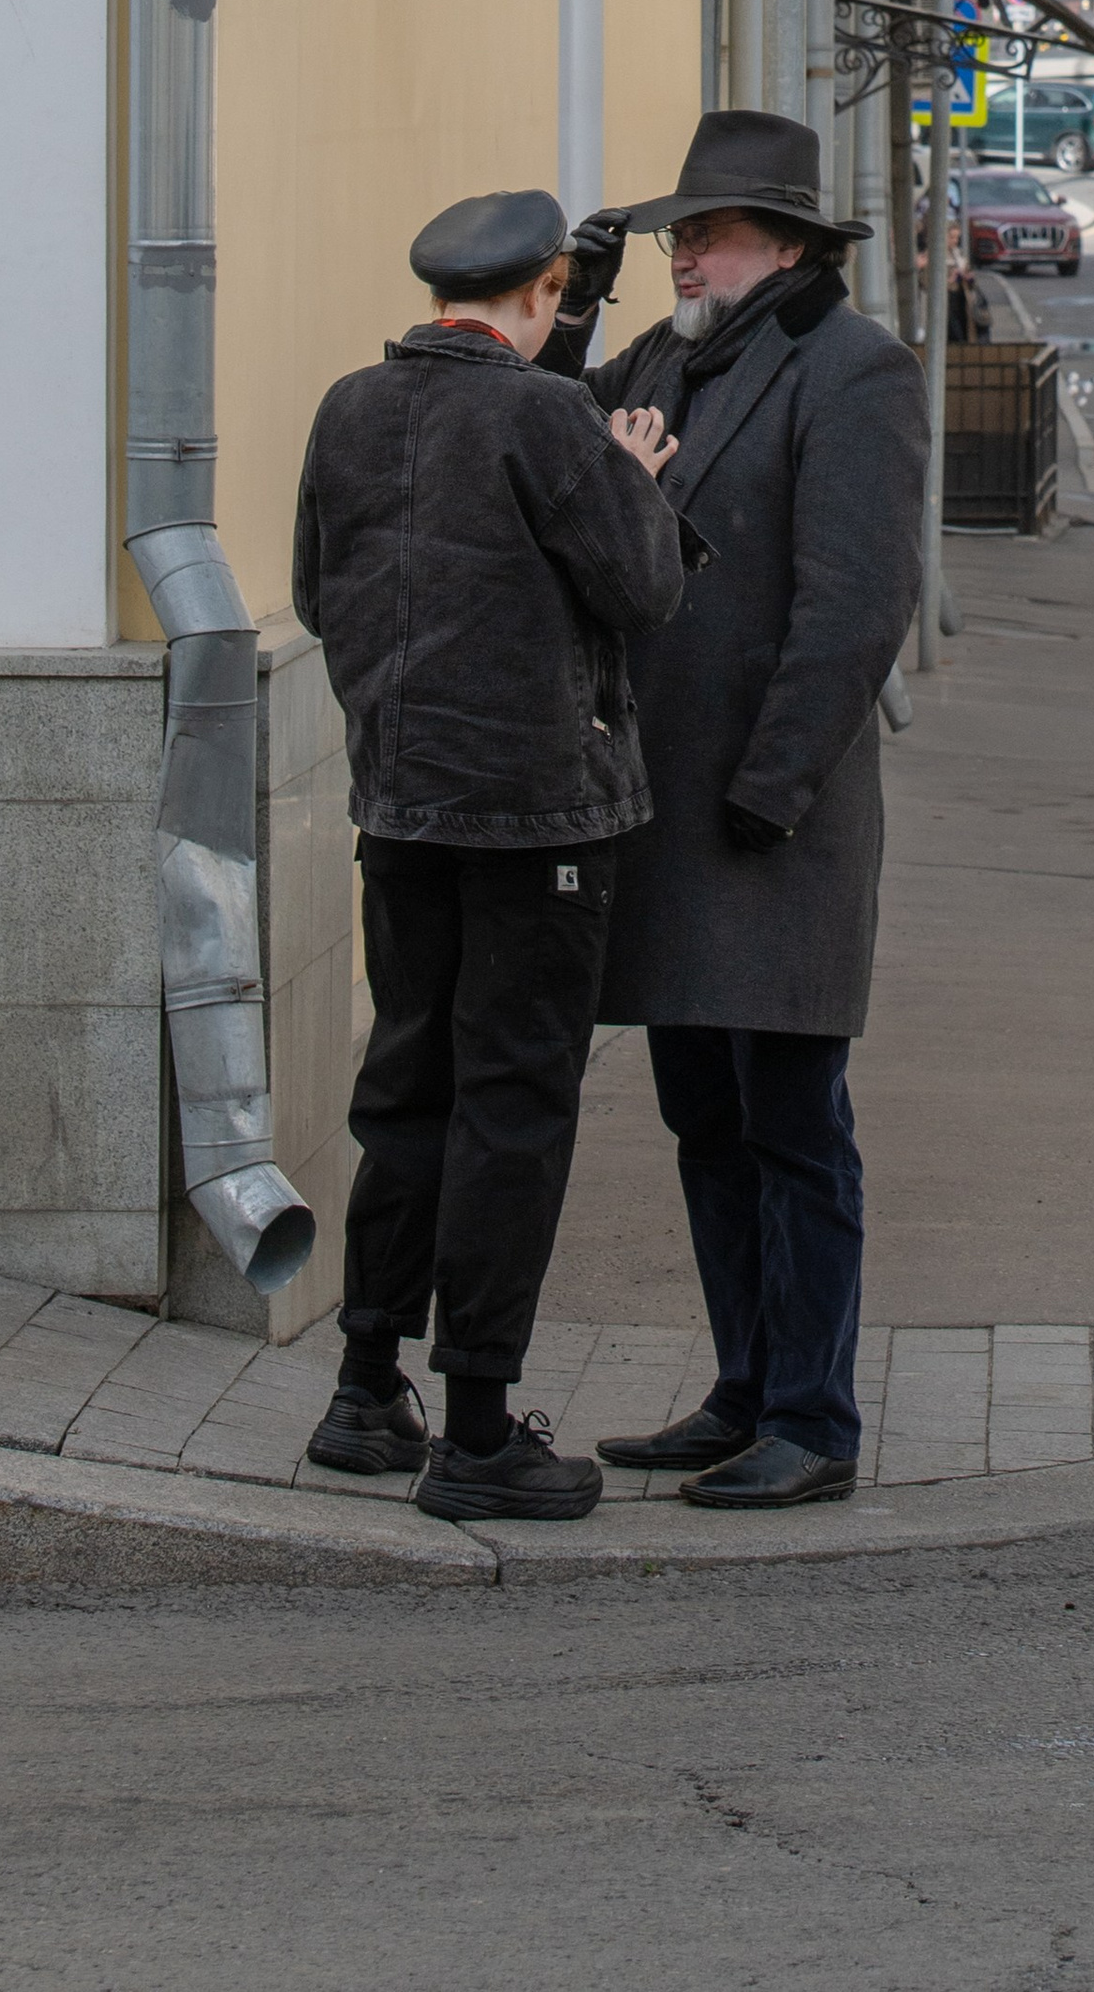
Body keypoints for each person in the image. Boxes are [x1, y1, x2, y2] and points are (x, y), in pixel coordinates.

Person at [294, 189, 700, 1525]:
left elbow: (313, 590)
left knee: (406, 1089)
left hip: (400, 805)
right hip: (540, 819)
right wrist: (637, 477)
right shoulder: (547, 416)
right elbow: (641, 592)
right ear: (539, 291)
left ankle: (364, 1391)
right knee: (513, 1108)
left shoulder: (353, 406)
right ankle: (476, 1426)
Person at [550, 111, 928, 1507]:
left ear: (784, 245)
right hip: (666, 813)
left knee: (793, 1126)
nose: (678, 255)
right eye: (669, 238)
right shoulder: (661, 357)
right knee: (704, 1122)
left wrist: (769, 791)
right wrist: (576, 307)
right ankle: (740, 1387)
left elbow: (854, 609)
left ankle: (813, 1417)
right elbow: (545, 441)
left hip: (773, 823)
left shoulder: (853, 372)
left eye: (699, 234)